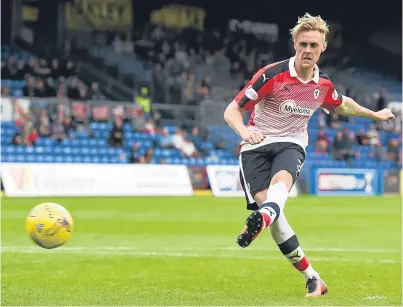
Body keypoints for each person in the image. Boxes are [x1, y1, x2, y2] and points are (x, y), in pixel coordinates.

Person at [223, 13, 395, 297]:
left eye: (314, 45)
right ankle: (313, 277)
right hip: (255, 146)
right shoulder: (272, 75)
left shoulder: (322, 85)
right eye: (303, 44)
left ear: (323, 47)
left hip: (291, 143)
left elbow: (343, 105)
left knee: (280, 187)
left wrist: (374, 114)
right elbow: (232, 109)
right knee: (277, 219)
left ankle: (261, 219)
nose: (308, 50)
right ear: (294, 43)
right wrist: (243, 131)